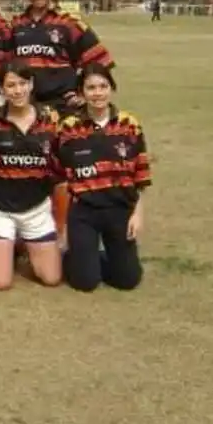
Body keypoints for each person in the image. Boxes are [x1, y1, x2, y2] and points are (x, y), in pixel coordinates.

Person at [57, 64, 150, 292]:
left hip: (120, 209)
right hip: (85, 212)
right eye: (90, 88)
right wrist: (63, 226)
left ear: (112, 88)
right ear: (81, 93)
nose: (97, 93)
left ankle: (102, 255)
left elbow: (141, 173)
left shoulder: (129, 125)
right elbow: (60, 174)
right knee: (85, 282)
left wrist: (137, 214)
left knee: (127, 280)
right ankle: (78, 254)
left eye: (103, 86)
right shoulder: (69, 128)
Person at [0, 60, 63, 290]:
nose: (18, 91)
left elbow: (60, 165)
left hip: (36, 209)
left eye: (23, 83)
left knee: (51, 278)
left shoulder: (50, 119)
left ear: (32, 84)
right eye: (11, 85)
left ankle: (19, 246)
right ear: (1, 89)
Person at [10, 0, 114, 116]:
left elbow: (100, 62)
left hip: (63, 108)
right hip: (27, 107)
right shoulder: (16, 25)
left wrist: (82, 93)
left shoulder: (69, 23)